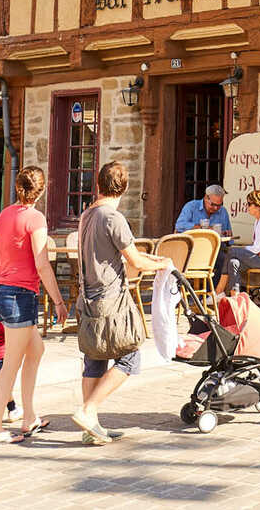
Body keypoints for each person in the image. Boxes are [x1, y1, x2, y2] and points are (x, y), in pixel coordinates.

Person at [72, 161, 174, 444]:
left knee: (94, 359)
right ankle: (88, 410)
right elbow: (135, 262)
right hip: (110, 300)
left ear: (98, 185)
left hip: (87, 297)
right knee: (130, 357)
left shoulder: (87, 214)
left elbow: (117, 254)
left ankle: (90, 427)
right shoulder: (113, 218)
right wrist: (162, 264)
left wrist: (150, 259)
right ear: (125, 188)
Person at [0, 166, 68, 445]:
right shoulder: (35, 218)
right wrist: (58, 301)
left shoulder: (4, 215)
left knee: (36, 350)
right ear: (41, 191)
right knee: (11, 364)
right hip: (20, 296)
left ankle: (29, 416)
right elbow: (42, 263)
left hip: (2, 291)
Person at [219, 190, 260, 296]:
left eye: (249, 204)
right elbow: (257, 248)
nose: (247, 206)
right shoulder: (258, 221)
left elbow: (257, 248)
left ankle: (219, 291)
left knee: (232, 251)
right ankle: (235, 296)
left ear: (258, 206)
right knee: (233, 262)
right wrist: (249, 251)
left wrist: (242, 250)